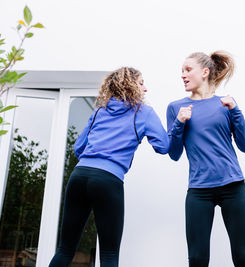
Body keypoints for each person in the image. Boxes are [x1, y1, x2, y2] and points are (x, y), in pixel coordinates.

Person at [49, 67, 169, 267]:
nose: (145, 89)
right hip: (107, 179)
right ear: (130, 86)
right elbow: (163, 147)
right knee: (109, 254)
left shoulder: (100, 111)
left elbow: (79, 147)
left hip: (79, 175)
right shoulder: (144, 112)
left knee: (65, 249)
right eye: (141, 83)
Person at [166, 51, 245, 267]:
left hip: (233, 186)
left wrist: (235, 110)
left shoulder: (224, 104)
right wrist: (179, 123)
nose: (183, 75)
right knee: (197, 259)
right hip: (199, 189)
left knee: (243, 256)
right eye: (182, 71)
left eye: (188, 70)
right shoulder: (176, 108)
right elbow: (174, 154)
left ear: (204, 72)